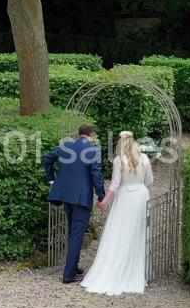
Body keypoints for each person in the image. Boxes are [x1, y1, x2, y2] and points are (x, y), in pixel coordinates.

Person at [81, 131, 154, 296]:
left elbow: (114, 185)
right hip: (141, 196)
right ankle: (136, 269)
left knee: (120, 232)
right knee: (138, 232)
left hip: (125, 197)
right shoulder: (145, 159)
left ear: (120, 144)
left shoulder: (119, 160)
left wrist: (104, 202)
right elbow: (149, 181)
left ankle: (115, 268)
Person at [44, 124, 107, 284]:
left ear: (79, 135)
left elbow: (48, 159)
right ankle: (69, 274)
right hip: (81, 198)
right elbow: (96, 175)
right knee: (76, 234)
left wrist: (51, 179)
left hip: (66, 196)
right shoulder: (93, 150)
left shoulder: (66, 147)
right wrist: (101, 196)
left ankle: (73, 265)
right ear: (91, 135)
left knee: (73, 232)